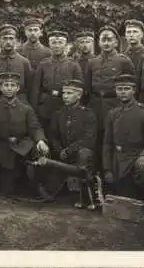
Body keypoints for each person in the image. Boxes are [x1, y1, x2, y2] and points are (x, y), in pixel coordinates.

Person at [0, 72, 50, 197]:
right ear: (0, 87)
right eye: (6, 85)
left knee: (39, 152)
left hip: (22, 147)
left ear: (18, 88)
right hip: (3, 149)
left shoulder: (26, 109)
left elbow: (34, 127)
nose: (9, 88)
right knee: (7, 190)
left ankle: (38, 185)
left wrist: (40, 140)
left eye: (13, 85)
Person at [103, 74, 144, 204]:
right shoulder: (112, 114)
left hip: (136, 159)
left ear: (134, 90)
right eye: (119, 89)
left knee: (141, 189)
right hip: (118, 162)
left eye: (126, 88)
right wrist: (107, 168)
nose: (122, 92)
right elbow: (107, 144)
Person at [85, 25, 135, 172]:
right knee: (96, 139)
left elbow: (132, 85)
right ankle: (96, 172)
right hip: (95, 105)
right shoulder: (92, 62)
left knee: (115, 138)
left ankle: (114, 171)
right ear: (98, 42)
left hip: (115, 104)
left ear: (116, 42)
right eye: (103, 40)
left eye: (109, 40)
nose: (106, 43)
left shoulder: (123, 61)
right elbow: (87, 87)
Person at [48, 79, 98, 208]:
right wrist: (59, 150)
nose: (65, 96)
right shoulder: (58, 114)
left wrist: (69, 150)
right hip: (62, 155)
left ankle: (85, 195)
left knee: (84, 154)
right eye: (64, 93)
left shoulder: (88, 114)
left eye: (69, 93)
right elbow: (53, 136)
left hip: (80, 156)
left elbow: (89, 139)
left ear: (79, 95)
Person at [30, 30, 83, 131]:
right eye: (54, 43)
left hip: (65, 105)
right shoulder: (43, 64)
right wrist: (34, 109)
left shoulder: (73, 65)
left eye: (60, 43)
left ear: (65, 45)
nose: (57, 46)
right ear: (49, 45)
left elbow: (79, 89)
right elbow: (35, 89)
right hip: (45, 107)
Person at [72, 30, 96, 105]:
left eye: (88, 42)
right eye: (82, 42)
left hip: (93, 97)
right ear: (78, 44)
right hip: (78, 96)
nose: (85, 45)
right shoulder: (74, 62)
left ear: (92, 43)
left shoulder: (97, 60)